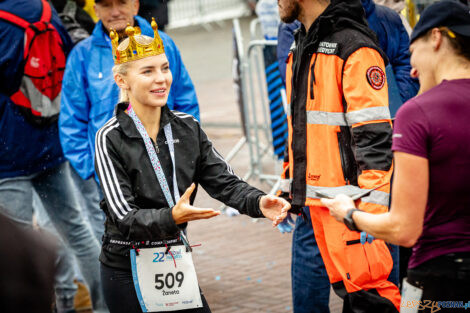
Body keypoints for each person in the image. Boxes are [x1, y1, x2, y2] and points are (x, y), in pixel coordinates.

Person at [96, 21, 290, 313]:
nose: (161, 79)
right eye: (147, 71)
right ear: (122, 80)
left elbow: (224, 182)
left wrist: (259, 201)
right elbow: (124, 216)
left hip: (174, 258)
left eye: (164, 68)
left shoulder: (187, 127)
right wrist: (172, 216)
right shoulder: (110, 136)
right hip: (126, 266)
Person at [322, 1, 470, 311]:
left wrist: (349, 214)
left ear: (436, 39)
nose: (412, 69)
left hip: (440, 274)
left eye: (413, 51)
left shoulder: (418, 113)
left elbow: (404, 228)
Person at [277, 0, 401, 312]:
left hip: (353, 207)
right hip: (322, 205)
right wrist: (290, 185)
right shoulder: (303, 44)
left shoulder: (354, 49)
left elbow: (375, 141)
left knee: (373, 300)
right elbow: (302, 129)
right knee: (358, 299)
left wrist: (370, 221)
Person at [59, 0, 200, 256]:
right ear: (95, 10)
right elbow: (72, 121)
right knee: (119, 248)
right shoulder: (83, 55)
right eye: (105, 4)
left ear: (135, 5)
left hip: (162, 170)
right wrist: (94, 169)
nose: (114, 11)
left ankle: (174, 293)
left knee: (169, 243)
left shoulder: (163, 43)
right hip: (109, 180)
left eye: (121, 2)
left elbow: (185, 103)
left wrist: (181, 155)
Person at [0, 1, 107, 312]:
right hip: (49, 139)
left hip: (8, 152)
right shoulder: (45, 9)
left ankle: (64, 303)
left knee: (15, 247)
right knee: (74, 229)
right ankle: (103, 306)